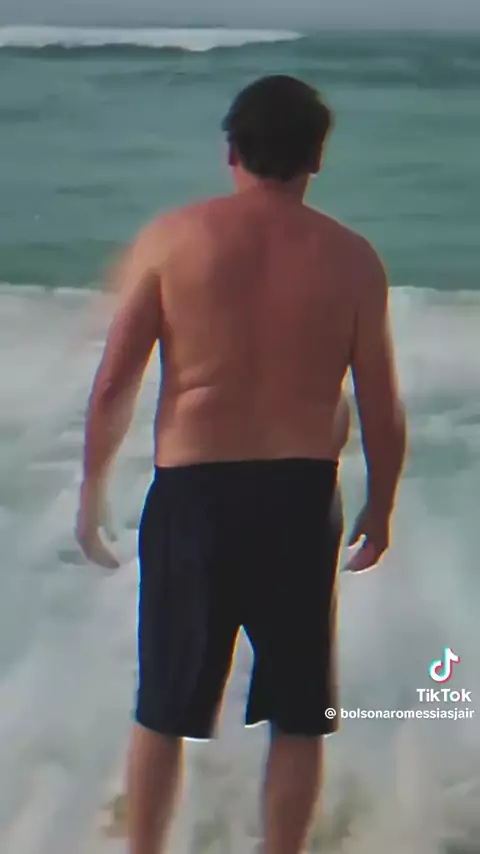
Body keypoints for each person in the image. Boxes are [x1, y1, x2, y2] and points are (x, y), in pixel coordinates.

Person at [76, 75, 406, 854]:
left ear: (232, 150)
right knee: (299, 712)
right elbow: (381, 402)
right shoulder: (353, 260)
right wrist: (381, 503)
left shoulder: (173, 240)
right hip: (299, 498)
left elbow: (115, 385)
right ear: (315, 159)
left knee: (163, 706)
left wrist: (92, 489)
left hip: (195, 496)